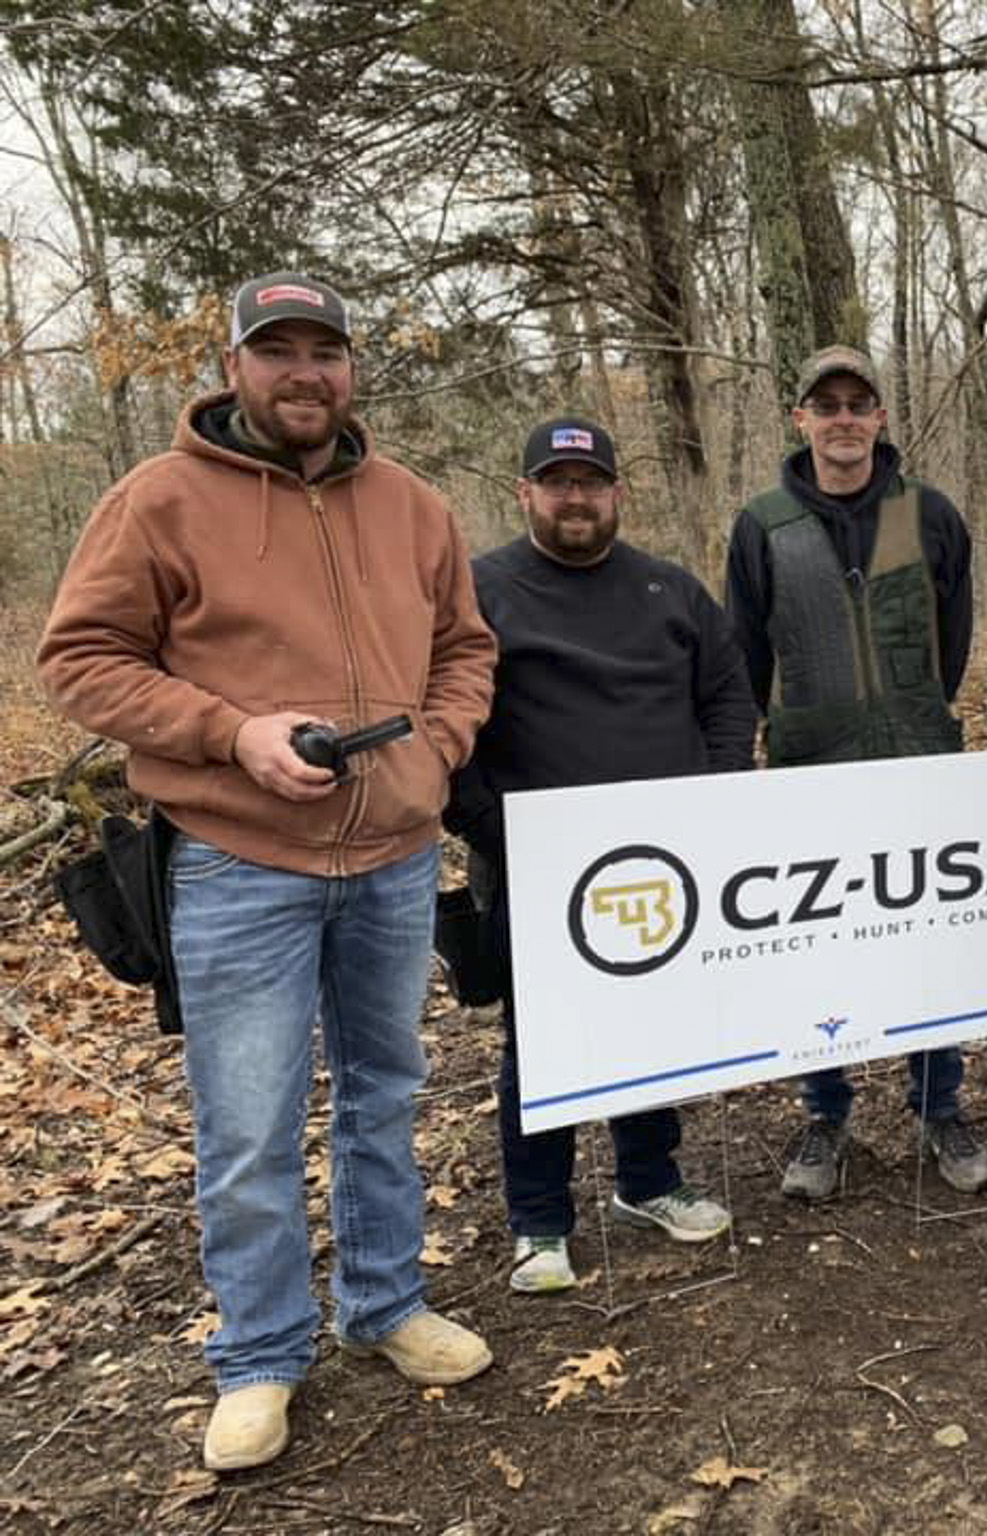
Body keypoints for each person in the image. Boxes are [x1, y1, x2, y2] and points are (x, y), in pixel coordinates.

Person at [36, 272, 499, 1471]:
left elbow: (464, 648)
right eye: (278, 351)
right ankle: (257, 1354)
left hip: (394, 860)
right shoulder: (158, 500)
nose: (305, 373)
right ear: (235, 366)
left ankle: (386, 1304)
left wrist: (438, 749)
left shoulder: (412, 505)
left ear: (351, 370)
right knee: (249, 1126)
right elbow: (80, 657)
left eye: (324, 352)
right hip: (239, 864)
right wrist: (230, 733)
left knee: (385, 1095)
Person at [445, 416, 756, 1293]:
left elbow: (727, 696)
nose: (574, 498)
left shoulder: (669, 590)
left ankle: (648, 1181)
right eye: (556, 483)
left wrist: (713, 797)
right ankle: (540, 1221)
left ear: (618, 492)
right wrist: (491, 826)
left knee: (649, 1023)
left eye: (589, 482)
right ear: (525, 493)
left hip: (664, 861)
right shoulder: (479, 592)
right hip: (535, 863)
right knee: (542, 1041)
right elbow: (448, 724)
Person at [724, 344, 987, 1201]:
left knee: (930, 940)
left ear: (880, 418)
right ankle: (825, 1114)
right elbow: (743, 653)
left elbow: (955, 635)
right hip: (811, 764)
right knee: (820, 948)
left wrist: (915, 712)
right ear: (800, 419)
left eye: (857, 404)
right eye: (826, 405)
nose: (843, 419)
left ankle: (939, 1105)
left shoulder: (929, 512)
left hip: (918, 758)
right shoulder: (763, 524)